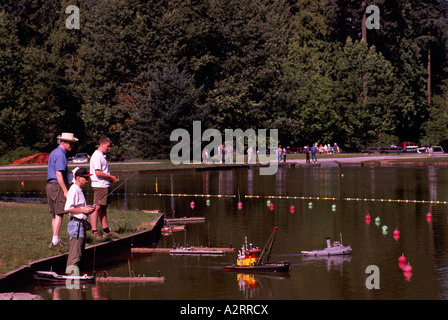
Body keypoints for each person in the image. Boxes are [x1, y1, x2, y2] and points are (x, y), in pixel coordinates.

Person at [46, 132, 78, 248]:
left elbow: (58, 171)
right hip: (57, 186)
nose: (72, 146)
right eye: (70, 144)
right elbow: (58, 174)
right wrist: (65, 191)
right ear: (64, 142)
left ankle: (55, 238)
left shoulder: (54, 152)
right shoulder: (61, 155)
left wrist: (70, 172)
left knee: (55, 214)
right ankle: (55, 242)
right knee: (59, 214)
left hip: (50, 185)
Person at [65, 168, 95, 273]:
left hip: (80, 225)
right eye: (85, 178)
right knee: (75, 254)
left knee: (79, 253)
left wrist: (86, 208)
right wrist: (83, 210)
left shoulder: (78, 189)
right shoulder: (74, 189)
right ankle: (71, 279)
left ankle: (74, 279)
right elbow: (67, 208)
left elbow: (77, 206)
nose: (88, 180)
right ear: (78, 178)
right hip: (76, 225)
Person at [90, 137, 119, 240]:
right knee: (96, 208)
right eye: (108, 146)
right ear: (102, 144)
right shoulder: (97, 156)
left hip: (104, 185)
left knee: (103, 208)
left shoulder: (101, 156)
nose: (109, 148)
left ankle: (106, 230)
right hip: (99, 186)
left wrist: (110, 179)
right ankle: (94, 231)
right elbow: (97, 172)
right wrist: (111, 177)